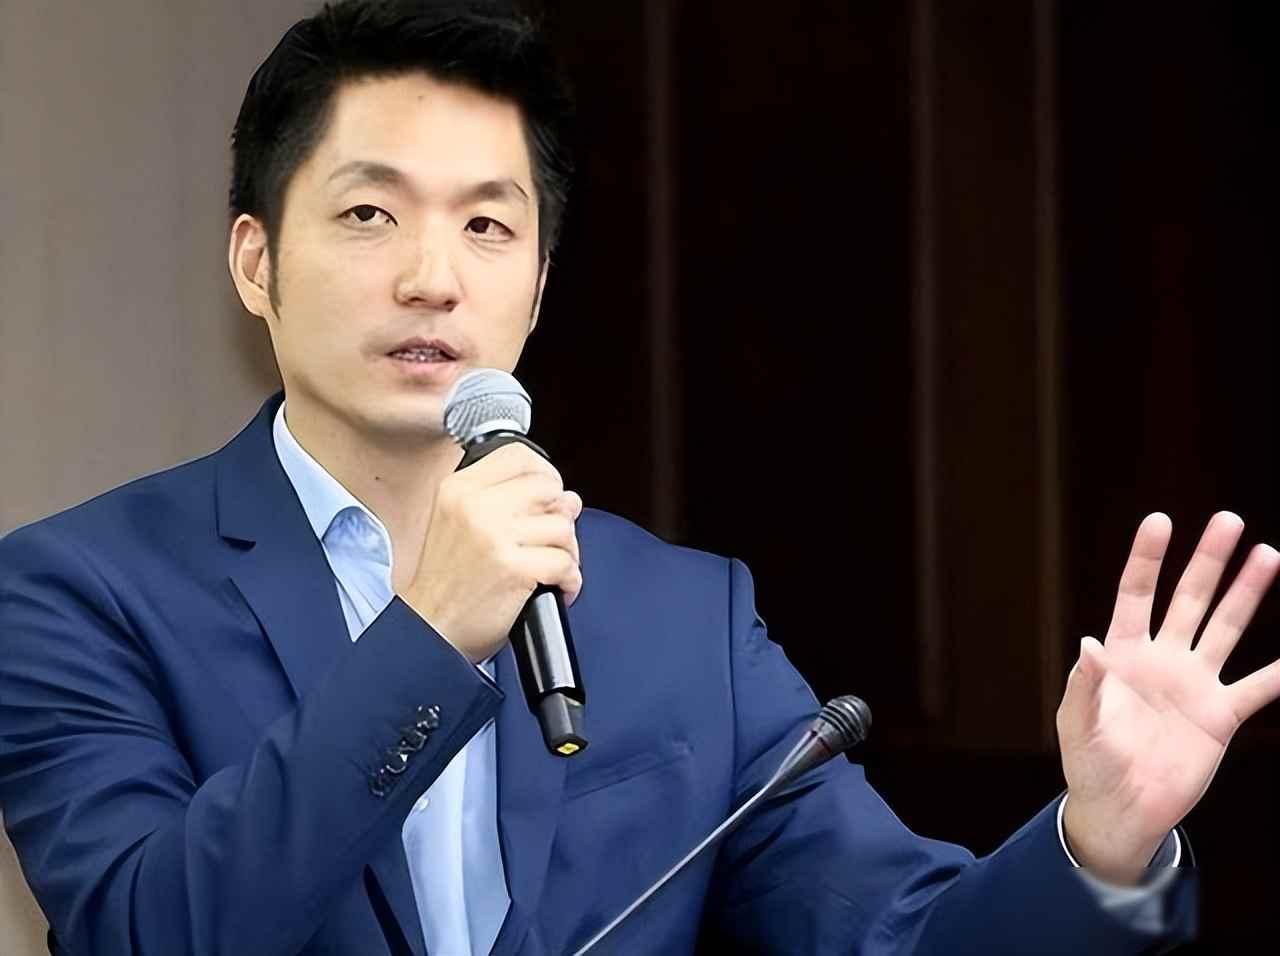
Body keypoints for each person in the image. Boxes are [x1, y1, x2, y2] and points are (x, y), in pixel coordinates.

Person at [1, 2, 1277, 953]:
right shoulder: (76, 590)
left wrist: (1100, 842)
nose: (432, 278)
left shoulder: (682, 614)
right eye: (368, 214)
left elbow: (899, 936)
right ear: (255, 262)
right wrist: (430, 634)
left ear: (537, 285)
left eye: (486, 224)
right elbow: (144, 926)